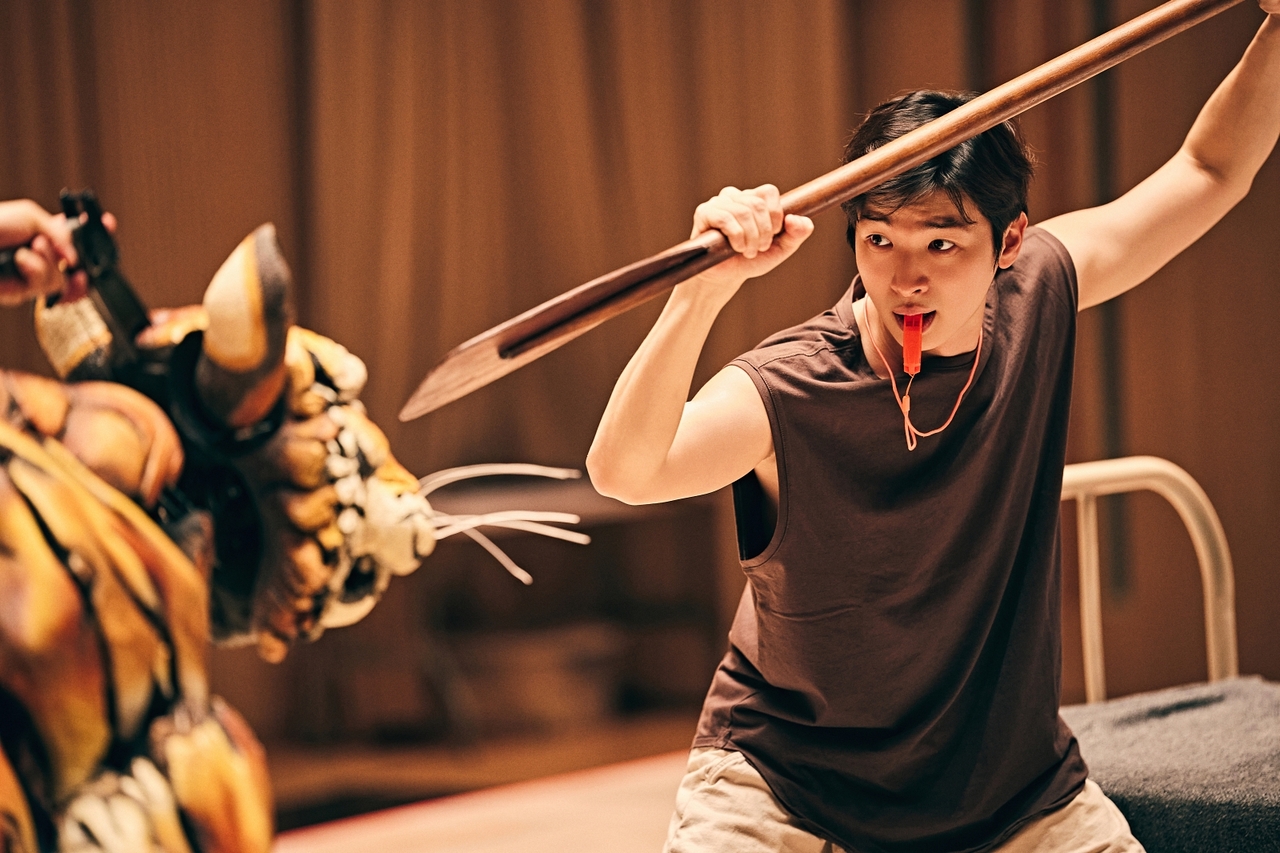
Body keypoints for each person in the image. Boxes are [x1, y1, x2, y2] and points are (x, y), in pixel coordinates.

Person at [587, 4, 1280, 851]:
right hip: (785, 788)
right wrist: (701, 287)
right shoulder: (793, 382)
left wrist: (1278, 29)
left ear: (1008, 242)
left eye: (942, 245)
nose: (903, 277)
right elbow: (625, 470)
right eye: (877, 238)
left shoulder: (1040, 292)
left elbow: (1210, 170)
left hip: (1008, 794)